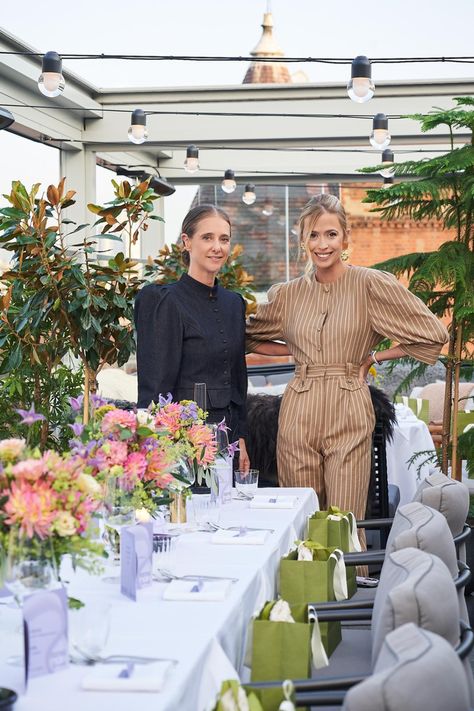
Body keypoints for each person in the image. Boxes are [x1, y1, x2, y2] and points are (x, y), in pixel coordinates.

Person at [246, 194, 448, 539]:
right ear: (302, 240)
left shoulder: (370, 285)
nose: (322, 245)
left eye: (330, 234)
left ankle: (349, 587)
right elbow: (247, 338)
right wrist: (296, 350)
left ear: (345, 238)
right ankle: (305, 589)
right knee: (303, 520)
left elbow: (433, 333)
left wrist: (373, 357)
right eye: (313, 235)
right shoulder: (287, 295)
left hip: (350, 405)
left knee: (344, 520)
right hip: (298, 409)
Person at [135, 204, 250, 471]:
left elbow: (238, 381)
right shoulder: (165, 301)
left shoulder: (234, 304)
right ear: (186, 242)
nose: (217, 247)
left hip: (227, 439)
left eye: (224, 239)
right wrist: (152, 452)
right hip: (182, 443)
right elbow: (154, 387)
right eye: (207, 237)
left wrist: (241, 438)